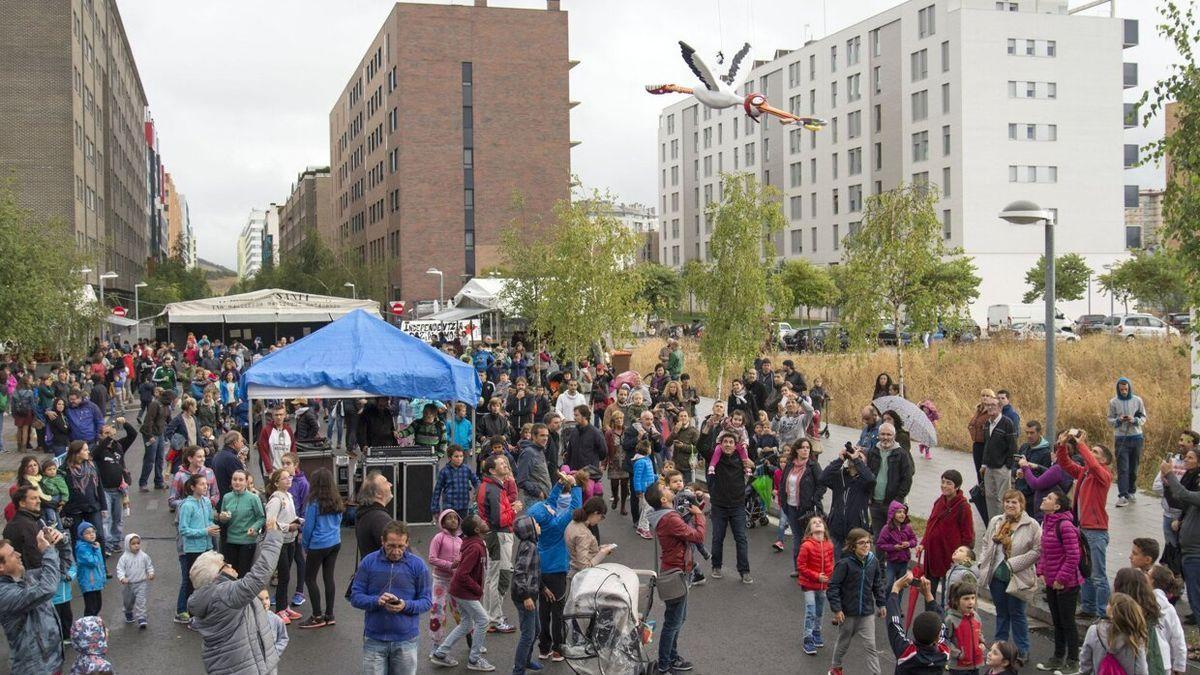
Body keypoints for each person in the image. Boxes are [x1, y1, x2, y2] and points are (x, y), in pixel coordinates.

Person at [187, 518, 285, 674]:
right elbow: (260, 575)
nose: (230, 565)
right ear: (215, 576)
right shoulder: (223, 594)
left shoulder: (210, 596)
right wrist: (273, 537)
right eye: (225, 564)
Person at [350, 520, 434, 675]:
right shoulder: (368, 562)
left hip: (406, 640)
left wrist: (405, 605)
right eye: (391, 546)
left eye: (401, 546)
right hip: (374, 639)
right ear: (382, 541)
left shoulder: (418, 565)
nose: (396, 551)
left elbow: (427, 601)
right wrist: (376, 600)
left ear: (407, 542)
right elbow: (355, 597)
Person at [645, 481, 704, 674]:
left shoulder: (664, 514)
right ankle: (664, 664)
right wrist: (700, 515)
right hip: (676, 572)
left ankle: (672, 657)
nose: (670, 489)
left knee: (679, 618)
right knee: (673, 621)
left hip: (676, 569)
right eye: (666, 489)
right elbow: (697, 536)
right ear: (663, 499)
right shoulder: (669, 518)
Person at [977, 490, 1041, 662]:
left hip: (1018, 578)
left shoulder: (1032, 525)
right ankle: (1000, 647)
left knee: (1017, 613)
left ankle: (1022, 649)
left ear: (1021, 505)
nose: (1010, 505)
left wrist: (1015, 563)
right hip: (996, 576)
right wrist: (983, 561)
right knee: (1002, 612)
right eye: (1007, 502)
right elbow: (985, 542)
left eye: (1014, 502)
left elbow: (1037, 550)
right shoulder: (996, 521)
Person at [1057, 430, 1113, 621]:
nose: (1092, 454)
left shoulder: (1103, 474)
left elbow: (1096, 467)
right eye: (1092, 451)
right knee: (1085, 571)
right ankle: (1088, 607)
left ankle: (1102, 612)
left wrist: (1082, 445)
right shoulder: (1084, 472)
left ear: (1105, 460)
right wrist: (1062, 445)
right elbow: (1065, 464)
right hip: (1082, 528)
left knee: (1098, 575)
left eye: (1096, 452)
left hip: (1096, 531)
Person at [528, 471, 582, 662]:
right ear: (547, 514)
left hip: (542, 571)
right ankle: (559, 648)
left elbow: (550, 502)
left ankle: (544, 648)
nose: (549, 505)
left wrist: (559, 484)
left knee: (544, 611)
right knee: (558, 612)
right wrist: (575, 486)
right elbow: (576, 508)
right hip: (558, 570)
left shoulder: (542, 523)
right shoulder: (557, 525)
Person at [429, 514, 494, 671]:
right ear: (477, 529)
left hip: (460, 589)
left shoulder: (471, 543)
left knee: (466, 623)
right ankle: (474, 659)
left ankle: (440, 653)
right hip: (463, 590)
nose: (485, 521)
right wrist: (478, 589)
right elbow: (462, 574)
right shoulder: (475, 547)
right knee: (483, 620)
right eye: (482, 521)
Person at [0, 527, 65, 675]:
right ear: (1, 566)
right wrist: (47, 551)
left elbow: (59, 571)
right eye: (12, 554)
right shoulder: (4, 594)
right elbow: (47, 589)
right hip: (35, 669)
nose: (18, 554)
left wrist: (58, 543)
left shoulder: (27, 577)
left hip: (53, 662)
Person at [1034, 489, 1083, 674]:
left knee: (1067, 621)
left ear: (1056, 506)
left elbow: (1073, 556)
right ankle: (1057, 657)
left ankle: (1073, 660)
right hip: (1051, 581)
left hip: (1067, 584)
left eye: (1049, 498)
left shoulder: (1065, 526)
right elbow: (1045, 551)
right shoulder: (1047, 522)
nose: (1044, 499)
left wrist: (1061, 579)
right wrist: (1041, 570)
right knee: (1056, 621)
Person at [826, 527, 886, 675]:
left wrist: (881, 603)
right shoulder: (845, 563)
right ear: (853, 546)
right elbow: (833, 587)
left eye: (868, 542)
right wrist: (837, 609)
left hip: (866, 612)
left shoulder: (873, 562)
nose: (866, 545)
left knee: (871, 645)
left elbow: (877, 583)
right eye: (862, 543)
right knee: (844, 642)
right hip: (848, 613)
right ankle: (836, 668)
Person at [1112, 567, 1185, 675]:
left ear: (1152, 581)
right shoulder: (1168, 608)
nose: (1144, 573)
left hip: (1142, 659)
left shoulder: (1141, 604)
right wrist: (1179, 665)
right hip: (1163, 661)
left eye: (1148, 573)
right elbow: (1178, 639)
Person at [915, 470, 974, 598]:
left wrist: (962, 556)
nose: (944, 486)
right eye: (943, 482)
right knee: (929, 592)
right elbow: (931, 524)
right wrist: (923, 543)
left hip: (950, 557)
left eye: (949, 483)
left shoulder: (963, 507)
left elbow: (968, 536)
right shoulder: (939, 501)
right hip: (933, 555)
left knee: (949, 595)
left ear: (957, 487)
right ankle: (930, 616)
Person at [477, 455, 519, 634]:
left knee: (492, 577)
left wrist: (509, 508)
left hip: (494, 535)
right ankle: (495, 619)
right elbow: (499, 519)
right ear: (492, 470)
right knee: (500, 578)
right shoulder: (493, 489)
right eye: (501, 463)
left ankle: (491, 615)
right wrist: (514, 510)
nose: (505, 464)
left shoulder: (492, 486)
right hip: (499, 536)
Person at [299, 467, 344, 629]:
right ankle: (330, 614)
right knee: (328, 577)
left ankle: (317, 615)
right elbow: (339, 521)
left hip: (318, 545)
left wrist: (305, 545)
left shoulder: (314, 503)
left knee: (310, 578)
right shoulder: (337, 500)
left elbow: (308, 528)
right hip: (334, 543)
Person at [708, 430, 754, 584]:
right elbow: (702, 445)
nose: (728, 444)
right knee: (717, 537)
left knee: (741, 538)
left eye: (731, 442)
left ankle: (744, 570)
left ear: (736, 446)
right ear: (720, 445)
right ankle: (716, 566)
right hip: (719, 505)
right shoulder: (716, 457)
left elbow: (756, 466)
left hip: (737, 506)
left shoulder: (742, 459)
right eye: (725, 442)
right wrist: (708, 428)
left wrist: (752, 464)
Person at [883, 574, 951, 675]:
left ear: (914, 632)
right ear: (937, 638)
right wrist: (928, 595)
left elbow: (894, 622)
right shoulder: (944, 653)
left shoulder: (906, 652)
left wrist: (895, 588)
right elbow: (942, 623)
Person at [775, 439, 824, 567]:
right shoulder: (790, 464)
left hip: (807, 509)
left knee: (809, 538)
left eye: (808, 447)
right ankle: (798, 567)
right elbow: (782, 483)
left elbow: (822, 485)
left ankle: (813, 566)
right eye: (803, 447)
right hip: (791, 506)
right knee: (797, 537)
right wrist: (783, 501)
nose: (805, 450)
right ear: (796, 450)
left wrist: (815, 499)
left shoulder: (813, 466)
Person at [821, 443, 875, 557]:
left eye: (860, 457)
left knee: (853, 565)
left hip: (857, 529)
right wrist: (840, 459)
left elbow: (871, 481)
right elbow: (823, 478)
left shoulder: (865, 480)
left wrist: (857, 460)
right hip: (837, 527)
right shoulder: (840, 476)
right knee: (835, 563)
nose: (853, 457)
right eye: (852, 455)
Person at [93, 417, 136, 554]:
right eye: (106, 434)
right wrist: (106, 440)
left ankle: (116, 541)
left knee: (118, 518)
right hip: (104, 489)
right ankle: (107, 543)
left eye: (111, 434)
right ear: (100, 436)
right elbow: (94, 454)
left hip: (119, 489)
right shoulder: (98, 449)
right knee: (106, 519)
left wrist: (124, 423)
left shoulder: (118, 446)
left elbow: (133, 435)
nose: (110, 437)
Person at [264, 468, 302, 622]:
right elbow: (270, 523)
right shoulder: (275, 499)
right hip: (279, 541)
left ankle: (284, 606)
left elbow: (289, 516)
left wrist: (297, 521)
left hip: (290, 540)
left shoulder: (289, 496)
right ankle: (280, 609)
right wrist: (288, 527)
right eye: (285, 478)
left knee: (286, 576)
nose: (289, 480)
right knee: (283, 575)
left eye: (290, 477)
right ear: (276, 482)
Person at [1078, 592, 1150, 675]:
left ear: (1111, 610)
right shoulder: (1135, 636)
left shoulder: (1094, 631)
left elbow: (1085, 661)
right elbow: (1141, 670)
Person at [866, 422, 915, 538]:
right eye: (882, 434)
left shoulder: (901, 454)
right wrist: (868, 495)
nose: (885, 437)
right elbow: (867, 474)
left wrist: (898, 500)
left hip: (893, 504)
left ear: (894, 436)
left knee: (894, 537)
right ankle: (879, 557)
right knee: (878, 537)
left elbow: (907, 479)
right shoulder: (873, 451)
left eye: (889, 434)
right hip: (875, 503)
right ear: (878, 435)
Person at [796, 515, 834, 656]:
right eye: (814, 522)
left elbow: (831, 564)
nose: (817, 523)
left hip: (823, 585)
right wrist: (816, 576)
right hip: (808, 584)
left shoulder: (829, 544)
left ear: (824, 528)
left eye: (820, 522)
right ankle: (808, 638)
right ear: (810, 530)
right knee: (811, 610)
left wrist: (829, 578)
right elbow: (801, 566)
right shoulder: (806, 545)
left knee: (820, 610)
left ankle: (816, 631)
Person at [511, 513, 543, 675]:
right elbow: (519, 573)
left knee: (536, 630)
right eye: (536, 524)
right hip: (524, 597)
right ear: (529, 529)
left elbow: (534, 571)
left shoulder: (530, 544)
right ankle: (518, 669)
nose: (539, 526)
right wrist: (526, 597)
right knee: (528, 635)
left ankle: (526, 660)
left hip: (530, 595)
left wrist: (543, 588)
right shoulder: (529, 547)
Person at [218, 469, 266, 577]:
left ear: (246, 482)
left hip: (247, 541)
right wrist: (223, 517)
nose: (237, 482)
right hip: (230, 540)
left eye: (241, 480)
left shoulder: (253, 498)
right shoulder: (227, 497)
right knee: (231, 574)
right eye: (234, 479)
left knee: (244, 574)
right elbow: (223, 519)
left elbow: (261, 518)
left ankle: (244, 594)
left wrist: (254, 528)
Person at [62, 440, 107, 553]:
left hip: (92, 506)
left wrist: (104, 506)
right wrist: (63, 512)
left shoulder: (92, 465)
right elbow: (62, 491)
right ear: (77, 453)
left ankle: (101, 565)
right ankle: (80, 565)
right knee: (77, 538)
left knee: (98, 536)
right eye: (85, 450)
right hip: (74, 509)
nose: (88, 452)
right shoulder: (64, 469)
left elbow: (99, 486)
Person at [428, 510, 464, 651]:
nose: (453, 520)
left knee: (460, 611)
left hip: (455, 581)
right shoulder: (439, 538)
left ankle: (472, 639)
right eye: (449, 518)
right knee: (438, 611)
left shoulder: (461, 540)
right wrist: (450, 565)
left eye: (455, 518)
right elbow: (432, 558)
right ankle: (436, 644)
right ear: (442, 522)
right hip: (440, 580)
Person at [1109, 377, 1147, 508]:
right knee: (1123, 468)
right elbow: (1110, 419)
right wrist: (1118, 420)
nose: (1124, 391)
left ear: (1129, 388)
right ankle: (1122, 494)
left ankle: (1131, 490)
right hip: (1121, 438)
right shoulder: (1113, 402)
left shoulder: (1137, 400)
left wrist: (1135, 420)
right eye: (1121, 389)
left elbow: (1143, 417)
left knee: (1133, 467)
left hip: (1136, 437)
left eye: (1126, 389)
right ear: (1118, 389)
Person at [979, 398, 1018, 522]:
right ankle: (993, 525)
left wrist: (1008, 465)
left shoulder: (1007, 423)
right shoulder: (987, 424)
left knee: (1003, 499)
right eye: (988, 405)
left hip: (1002, 467)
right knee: (989, 497)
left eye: (993, 405)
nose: (990, 407)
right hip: (989, 467)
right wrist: (984, 464)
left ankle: (1004, 525)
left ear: (1000, 407)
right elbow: (987, 446)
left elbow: (1013, 446)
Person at [943, 581, 985, 675]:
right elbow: (944, 640)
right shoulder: (950, 619)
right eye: (966, 599)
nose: (970, 602)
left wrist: (982, 642)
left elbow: (979, 633)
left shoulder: (976, 617)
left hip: (975, 663)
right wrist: (957, 653)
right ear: (956, 601)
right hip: (958, 667)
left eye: (973, 598)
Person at [566, 497, 615, 575]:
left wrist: (598, 549)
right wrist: (602, 554)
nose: (600, 520)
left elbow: (579, 549)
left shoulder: (574, 522)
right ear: (595, 513)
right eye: (602, 517)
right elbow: (584, 567)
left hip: (572, 568)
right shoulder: (583, 534)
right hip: (582, 577)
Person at [875, 501, 918, 589]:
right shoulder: (886, 529)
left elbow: (914, 540)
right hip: (892, 562)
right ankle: (885, 602)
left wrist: (909, 543)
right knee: (889, 585)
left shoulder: (907, 528)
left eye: (904, 512)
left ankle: (897, 603)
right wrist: (893, 547)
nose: (902, 514)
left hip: (904, 562)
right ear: (892, 514)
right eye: (899, 512)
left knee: (901, 586)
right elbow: (880, 544)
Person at [116, 532, 154, 628]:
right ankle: (128, 612)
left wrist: (151, 573)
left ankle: (142, 617)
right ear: (127, 545)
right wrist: (122, 578)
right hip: (128, 584)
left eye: (138, 543)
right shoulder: (124, 558)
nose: (136, 546)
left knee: (141, 601)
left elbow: (149, 566)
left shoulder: (144, 556)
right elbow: (120, 569)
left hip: (141, 583)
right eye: (133, 544)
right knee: (128, 601)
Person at [432, 445, 480, 518]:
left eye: (461, 456)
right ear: (450, 458)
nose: (459, 459)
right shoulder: (444, 471)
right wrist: (435, 509)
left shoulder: (466, 469)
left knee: (463, 526)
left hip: (464, 504)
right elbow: (437, 490)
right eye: (456, 456)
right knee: (450, 526)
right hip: (449, 506)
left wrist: (477, 492)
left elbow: (476, 481)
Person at [138, 390, 173, 491]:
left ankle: (158, 481)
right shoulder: (155, 404)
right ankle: (143, 483)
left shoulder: (166, 406)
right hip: (151, 434)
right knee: (150, 459)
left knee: (160, 458)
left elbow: (169, 420)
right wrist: (149, 436)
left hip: (159, 434)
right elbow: (148, 420)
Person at [73, 520, 106, 616]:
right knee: (91, 608)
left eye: (93, 532)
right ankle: (88, 627)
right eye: (87, 533)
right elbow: (93, 562)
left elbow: (100, 563)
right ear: (81, 535)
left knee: (98, 606)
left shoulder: (92, 545)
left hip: (95, 582)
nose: (91, 535)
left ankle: (93, 626)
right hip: (89, 583)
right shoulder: (82, 548)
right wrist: (97, 550)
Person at [515, 427, 552, 505]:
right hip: (534, 500)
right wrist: (538, 493)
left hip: (543, 498)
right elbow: (521, 480)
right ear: (534, 437)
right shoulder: (529, 453)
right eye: (542, 435)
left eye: (547, 436)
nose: (545, 438)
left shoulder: (540, 450)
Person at [603, 411, 630, 515]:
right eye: (617, 419)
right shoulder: (609, 433)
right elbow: (606, 449)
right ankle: (615, 497)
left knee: (624, 485)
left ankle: (623, 507)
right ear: (613, 421)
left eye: (621, 419)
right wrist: (604, 464)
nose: (620, 420)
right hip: (613, 462)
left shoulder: (627, 431)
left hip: (625, 462)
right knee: (614, 484)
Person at [257, 405, 295, 476]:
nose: (279, 417)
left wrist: (294, 469)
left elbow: (293, 451)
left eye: (281, 414)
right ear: (272, 416)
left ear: (285, 415)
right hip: (272, 473)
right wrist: (270, 471)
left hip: (287, 473)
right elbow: (263, 452)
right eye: (276, 415)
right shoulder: (266, 430)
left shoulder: (288, 430)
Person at [966, 389, 995, 478]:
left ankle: (985, 490)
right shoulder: (979, 409)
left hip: (987, 444)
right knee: (978, 471)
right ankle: (981, 490)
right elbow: (972, 423)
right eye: (983, 395)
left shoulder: (992, 411)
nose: (985, 397)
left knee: (985, 471)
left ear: (992, 398)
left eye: (987, 396)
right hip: (977, 443)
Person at [213, 431, 247, 499]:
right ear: (235, 443)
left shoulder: (218, 455)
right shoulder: (231, 459)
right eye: (241, 441)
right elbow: (242, 480)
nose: (242, 444)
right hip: (231, 499)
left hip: (220, 497)